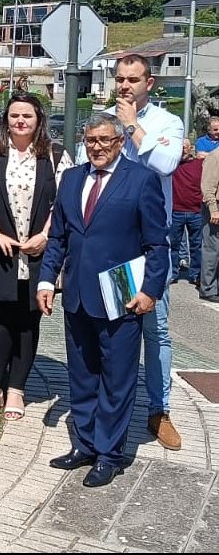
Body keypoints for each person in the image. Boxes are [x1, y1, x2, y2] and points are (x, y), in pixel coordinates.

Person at [37, 113, 169, 488]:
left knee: (117, 378)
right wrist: (46, 280)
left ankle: (110, 454)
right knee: (81, 374)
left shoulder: (141, 180)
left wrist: (150, 291)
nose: (97, 147)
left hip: (123, 292)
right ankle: (86, 443)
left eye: (105, 140)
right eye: (91, 140)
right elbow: (59, 237)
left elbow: (157, 244)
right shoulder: (72, 178)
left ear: (120, 142)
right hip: (77, 293)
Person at [76, 53, 183, 451]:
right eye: (119, 79)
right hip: (110, 244)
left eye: (133, 80)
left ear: (149, 84)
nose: (124, 86)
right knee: (106, 327)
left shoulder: (165, 122)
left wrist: (131, 126)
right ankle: (105, 412)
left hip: (147, 246)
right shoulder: (101, 118)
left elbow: (167, 163)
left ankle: (159, 410)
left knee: (154, 330)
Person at [0, 94, 72, 421]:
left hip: (39, 253)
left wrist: (45, 236)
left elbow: (64, 204)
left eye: (26, 115)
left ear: (38, 119)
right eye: (14, 115)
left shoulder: (56, 156)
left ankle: (16, 388)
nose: (20, 121)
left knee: (28, 322)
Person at [169, 139, 203, 285]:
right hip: (175, 210)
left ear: (190, 148)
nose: (183, 150)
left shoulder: (199, 164)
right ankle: (173, 273)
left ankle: (196, 274)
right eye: (180, 147)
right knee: (173, 245)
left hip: (196, 211)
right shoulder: (170, 165)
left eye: (185, 147)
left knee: (197, 245)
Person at [199, 147, 219, 303]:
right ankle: (208, 288)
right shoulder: (215, 157)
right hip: (215, 208)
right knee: (212, 250)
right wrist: (214, 209)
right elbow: (207, 187)